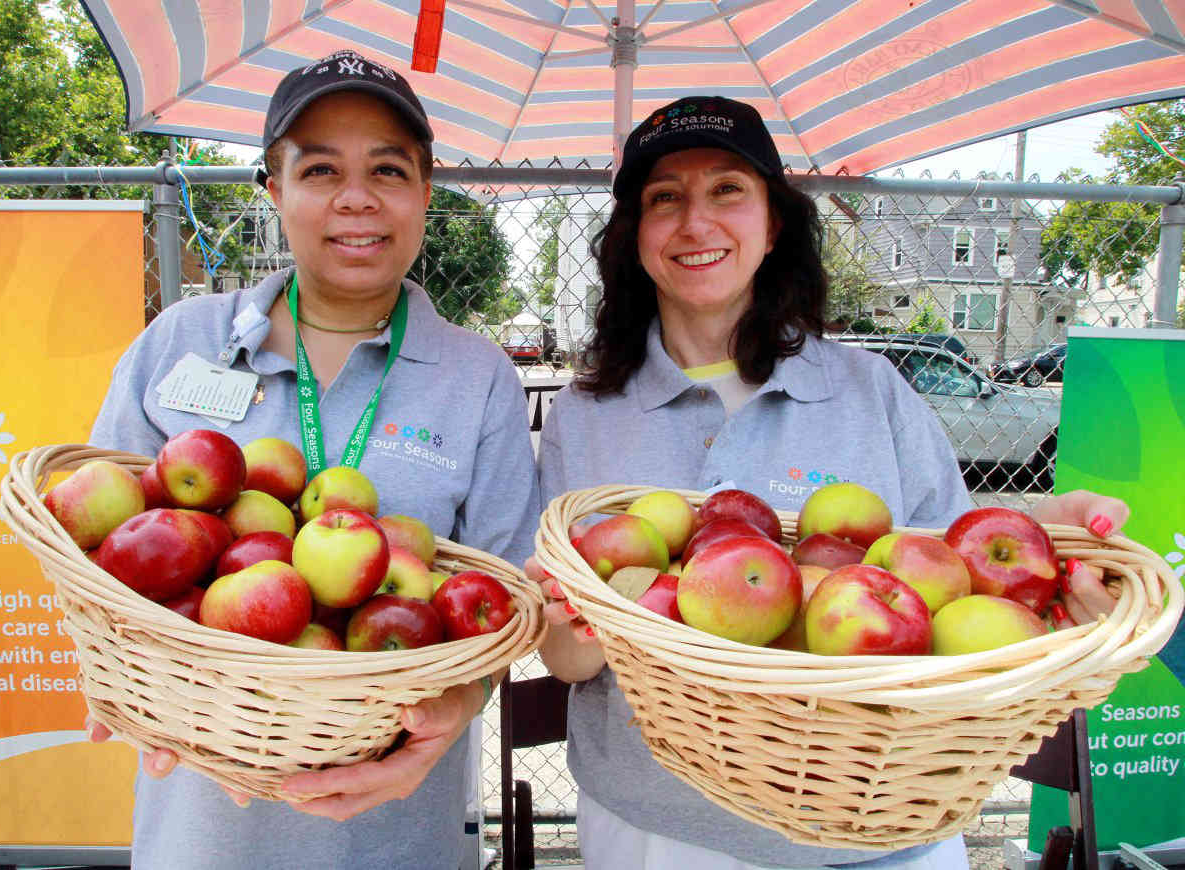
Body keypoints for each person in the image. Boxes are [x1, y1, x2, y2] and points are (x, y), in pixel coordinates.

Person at [532, 95, 1129, 870]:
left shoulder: (872, 389)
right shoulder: (586, 414)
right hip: (663, 824)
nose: (695, 222)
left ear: (773, 223)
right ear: (634, 236)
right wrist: (570, 624)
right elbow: (569, 661)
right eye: (664, 198)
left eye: (727, 190)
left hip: (884, 821)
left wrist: (1054, 539)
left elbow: (951, 567)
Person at [85, 50, 541, 870]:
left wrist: (457, 707)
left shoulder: (478, 378)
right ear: (274, 190)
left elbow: (505, 603)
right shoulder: (181, 344)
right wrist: (117, 679)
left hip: (396, 830)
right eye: (321, 168)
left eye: (389, 170)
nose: (356, 198)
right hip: (204, 819)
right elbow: (103, 555)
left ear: (425, 194)